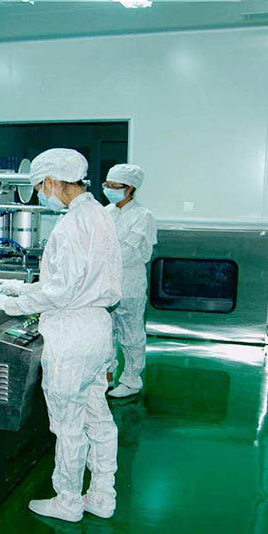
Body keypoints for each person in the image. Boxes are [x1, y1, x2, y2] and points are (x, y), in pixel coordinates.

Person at [0, 148, 122, 523]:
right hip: (97, 328)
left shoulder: (70, 226)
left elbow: (61, 293)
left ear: (51, 181)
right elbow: (77, 280)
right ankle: (103, 496)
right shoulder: (100, 215)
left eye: (39, 188)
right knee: (98, 417)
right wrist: (24, 287)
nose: (41, 195)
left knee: (68, 425)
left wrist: (12, 303)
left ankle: (68, 501)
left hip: (71, 334)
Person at [102, 164, 157, 398]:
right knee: (105, 332)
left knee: (131, 333)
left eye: (115, 186)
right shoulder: (107, 212)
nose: (110, 190)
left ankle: (132, 380)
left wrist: (99, 258)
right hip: (104, 283)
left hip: (129, 283)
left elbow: (131, 253)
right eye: (107, 185)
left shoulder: (143, 216)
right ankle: (107, 375)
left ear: (130, 187)